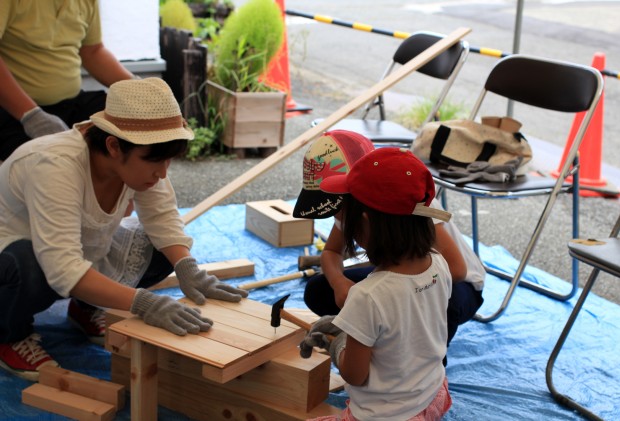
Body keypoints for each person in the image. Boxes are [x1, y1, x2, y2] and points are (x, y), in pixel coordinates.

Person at [0, 77, 248, 381]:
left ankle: (85, 307)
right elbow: (62, 267)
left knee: (162, 250)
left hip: (72, 248)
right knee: (28, 266)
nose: (162, 173)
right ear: (114, 145)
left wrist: (187, 268)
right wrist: (142, 302)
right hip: (15, 256)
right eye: (155, 161)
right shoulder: (54, 165)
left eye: (169, 161)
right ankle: (9, 335)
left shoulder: (137, 158)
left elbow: (163, 218)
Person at [293, 130, 485, 362]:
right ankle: (376, 339)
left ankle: (428, 361)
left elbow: (456, 270)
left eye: (340, 204)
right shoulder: (348, 204)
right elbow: (332, 252)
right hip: (400, 273)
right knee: (319, 289)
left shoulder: (411, 199)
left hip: (454, 284)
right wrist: (340, 283)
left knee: (430, 302)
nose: (339, 215)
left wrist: (390, 290)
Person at [300, 147, 454, 421]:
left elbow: (355, 376)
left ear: (364, 223)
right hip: (433, 398)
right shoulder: (438, 263)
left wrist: (338, 343)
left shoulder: (367, 296)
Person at [0, 0, 136, 161]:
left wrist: (137, 87)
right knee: (44, 162)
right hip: (13, 111)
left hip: (71, 104)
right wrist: (31, 116)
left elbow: (92, 51)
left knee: (133, 119)